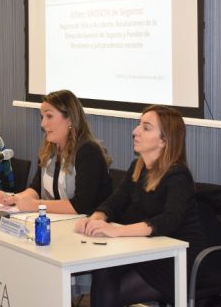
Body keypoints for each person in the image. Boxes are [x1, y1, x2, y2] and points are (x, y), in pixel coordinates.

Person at [74, 105, 206, 307]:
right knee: (103, 270)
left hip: (174, 259)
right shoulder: (137, 168)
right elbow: (115, 202)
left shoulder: (178, 174)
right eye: (138, 125)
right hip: (145, 250)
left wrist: (117, 231)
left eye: (146, 127)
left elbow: (168, 220)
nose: (135, 132)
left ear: (164, 140)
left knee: (112, 292)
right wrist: (95, 219)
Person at [0, 89, 112, 214]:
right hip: (58, 221)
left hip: (88, 223)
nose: (43, 124)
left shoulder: (88, 151)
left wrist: (36, 205)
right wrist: (12, 199)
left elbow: (81, 206)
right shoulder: (49, 149)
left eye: (49, 116)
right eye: (42, 117)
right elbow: (36, 189)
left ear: (70, 119)